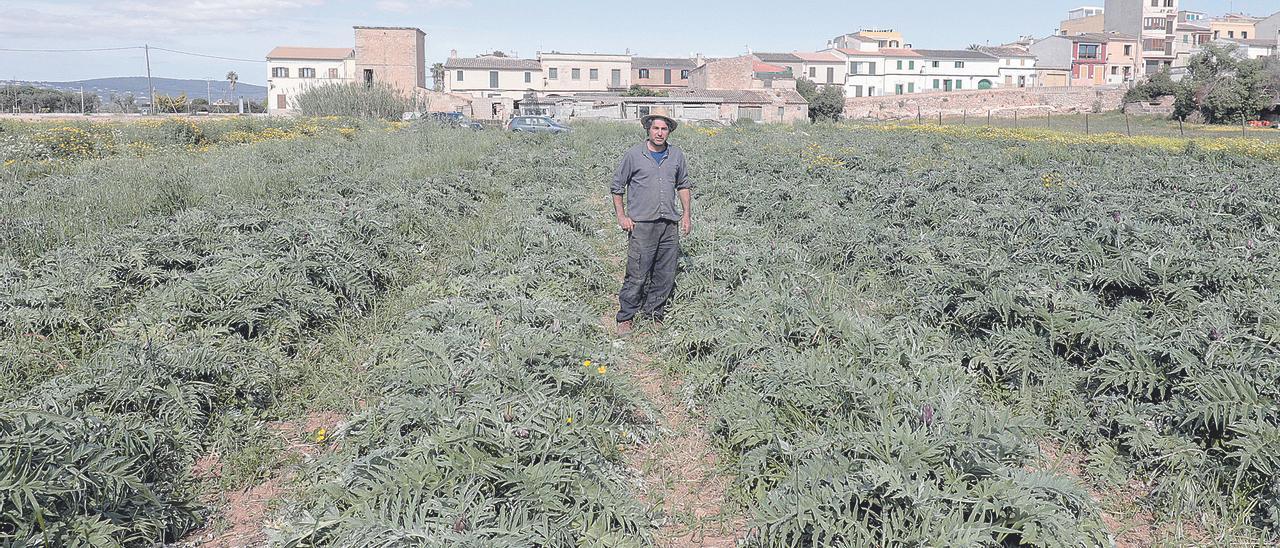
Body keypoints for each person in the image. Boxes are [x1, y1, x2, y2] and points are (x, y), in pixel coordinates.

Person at [610, 113, 692, 336]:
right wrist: (621, 216)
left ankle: (654, 313)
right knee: (637, 272)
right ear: (648, 129)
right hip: (642, 224)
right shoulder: (634, 155)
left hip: (668, 224)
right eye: (655, 128)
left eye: (664, 129)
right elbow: (617, 187)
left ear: (669, 132)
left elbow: (683, 185)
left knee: (664, 273)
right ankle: (625, 317)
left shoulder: (676, 155)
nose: (659, 133)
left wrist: (686, 215)